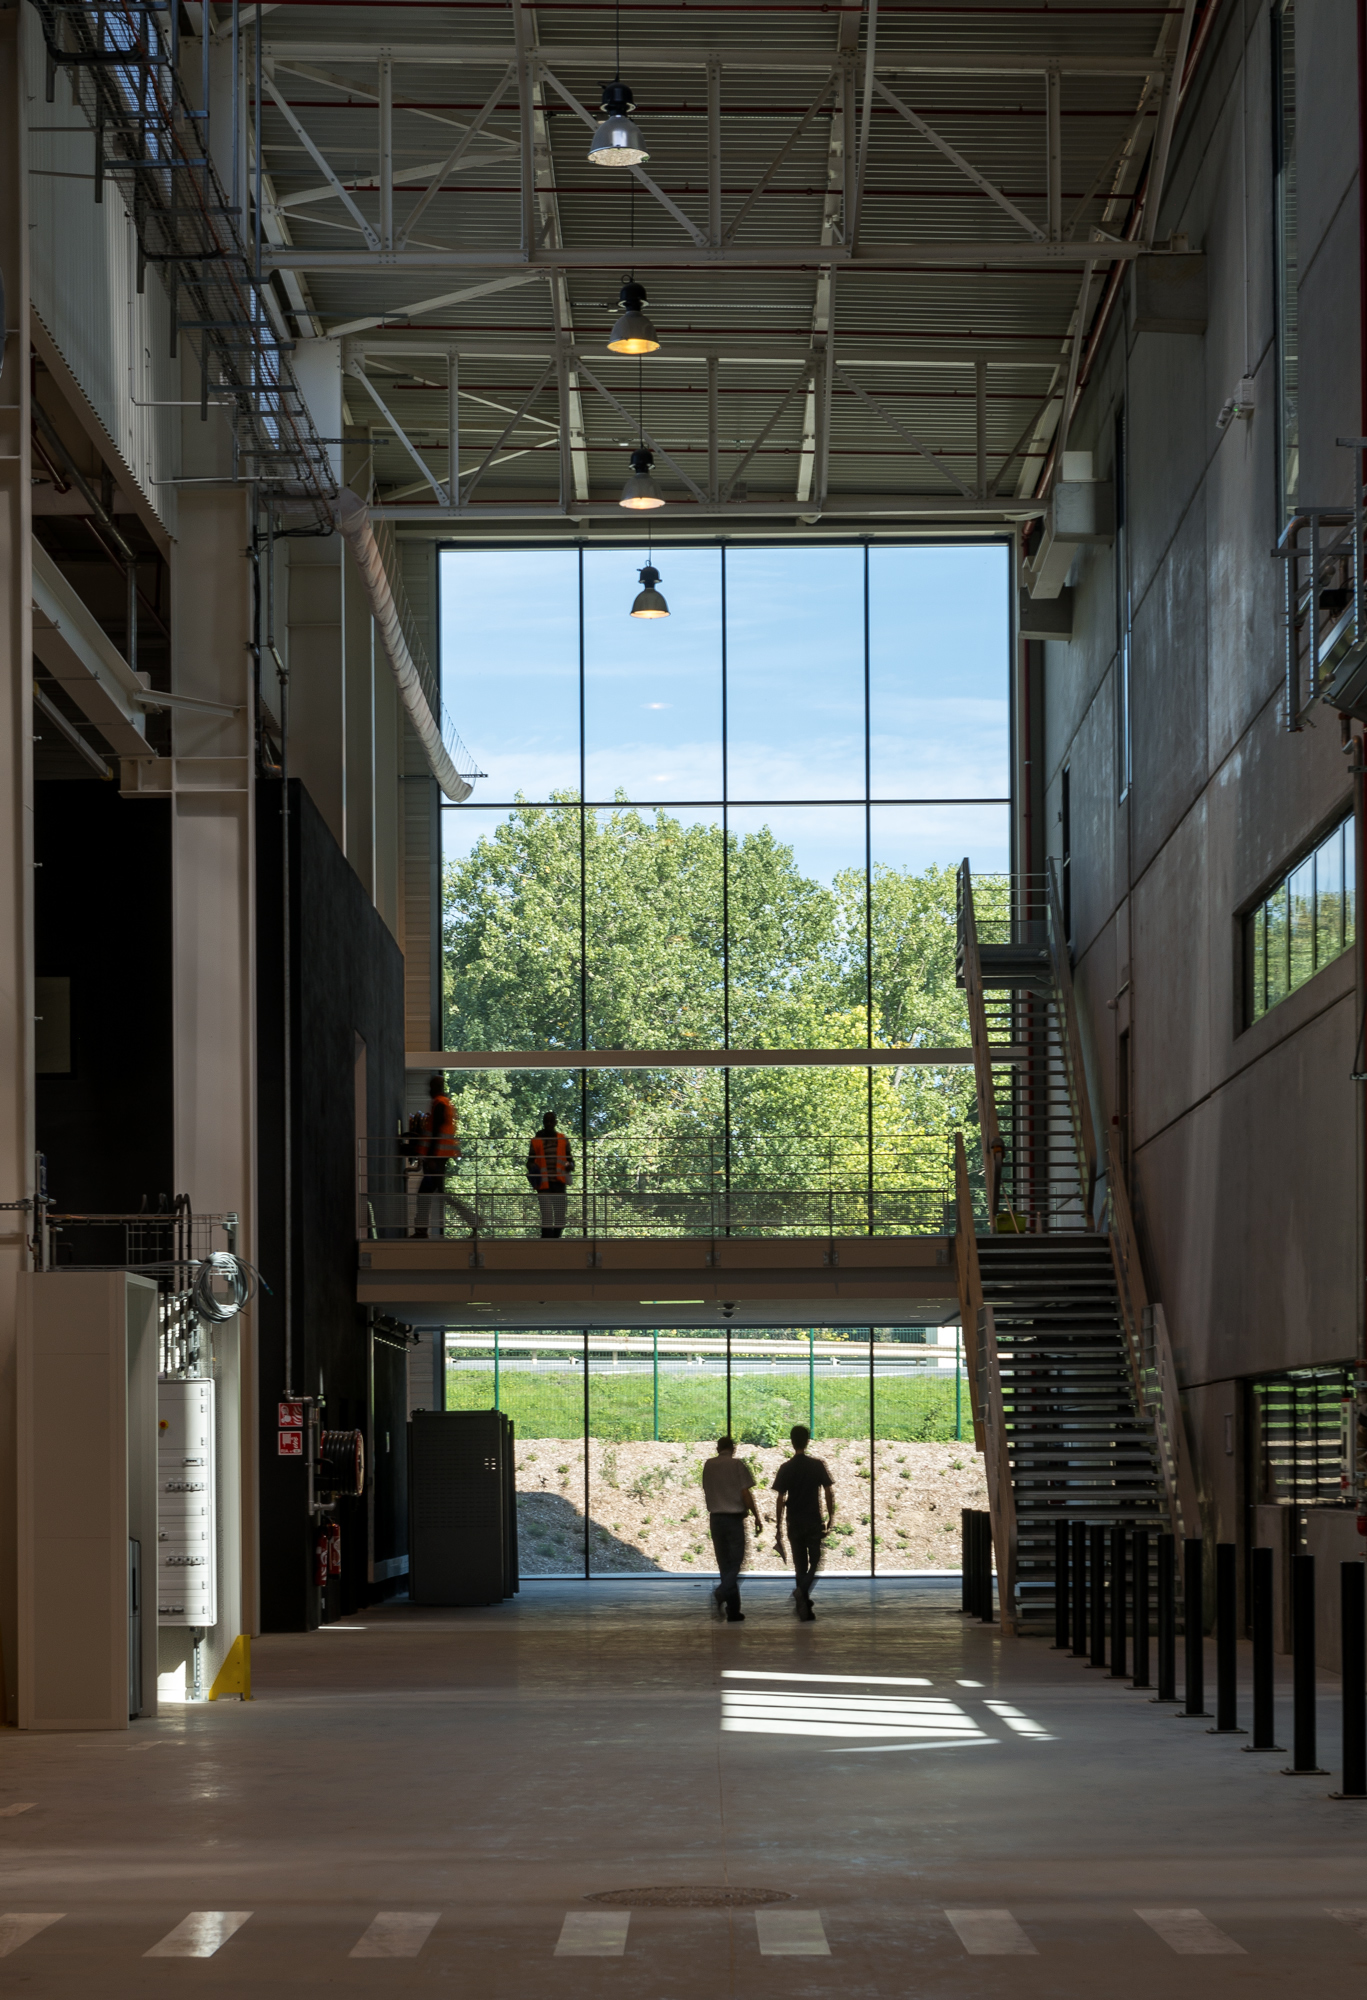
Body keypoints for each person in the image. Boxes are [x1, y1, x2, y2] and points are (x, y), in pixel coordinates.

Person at [773, 1424, 835, 1622]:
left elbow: (781, 1498)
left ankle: (804, 1605)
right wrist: (831, 1516)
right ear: (807, 1441)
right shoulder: (817, 1465)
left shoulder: (786, 1468)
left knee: (799, 1566)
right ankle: (802, 1594)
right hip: (812, 1520)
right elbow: (828, 1491)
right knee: (816, 1560)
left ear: (791, 1442)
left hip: (794, 1522)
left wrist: (778, 1526)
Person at [701, 1436, 763, 1623]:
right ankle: (721, 1593)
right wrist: (756, 1515)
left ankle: (733, 1611)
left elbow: (706, 1488)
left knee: (725, 1565)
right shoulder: (737, 1465)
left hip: (716, 1519)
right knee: (736, 1563)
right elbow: (745, 1492)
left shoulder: (708, 1465)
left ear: (717, 1448)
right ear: (733, 1448)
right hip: (734, 1519)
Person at [412, 1073, 479, 1237]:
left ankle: (421, 1231)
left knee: (424, 1194)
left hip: (437, 1158)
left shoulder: (440, 1104)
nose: (429, 1090)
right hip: (440, 1157)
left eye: (431, 1087)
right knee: (438, 1193)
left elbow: (435, 1133)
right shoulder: (444, 1104)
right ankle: (473, 1220)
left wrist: (431, 1158)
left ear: (437, 1088)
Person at [526, 1110, 575, 1237]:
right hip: (544, 1184)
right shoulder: (536, 1141)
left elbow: (571, 1160)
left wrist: (570, 1166)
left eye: (550, 1121)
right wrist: (533, 1169)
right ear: (543, 1123)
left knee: (560, 1217)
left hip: (559, 1183)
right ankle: (546, 1243)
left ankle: (555, 1241)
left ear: (555, 1122)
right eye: (546, 1121)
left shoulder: (563, 1140)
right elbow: (529, 1161)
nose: (548, 1124)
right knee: (547, 1217)